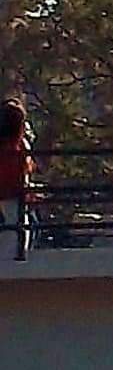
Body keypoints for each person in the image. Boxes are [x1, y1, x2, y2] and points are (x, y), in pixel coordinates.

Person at [0, 98, 32, 264]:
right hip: (11, 198)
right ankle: (16, 258)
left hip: (7, 196)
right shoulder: (18, 148)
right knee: (17, 229)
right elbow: (19, 177)